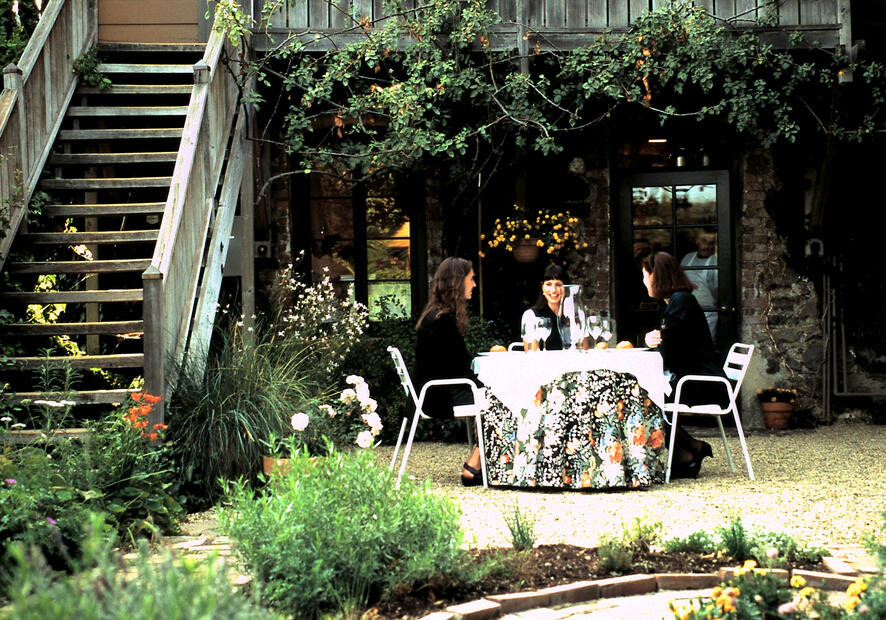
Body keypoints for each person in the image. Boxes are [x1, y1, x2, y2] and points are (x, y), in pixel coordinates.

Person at [641, 251, 725, 479]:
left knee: (643, 399)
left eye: (645, 276)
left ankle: (684, 454)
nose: (643, 282)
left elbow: (669, 350)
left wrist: (655, 343)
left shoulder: (682, 301)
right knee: (645, 396)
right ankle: (690, 450)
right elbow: (666, 342)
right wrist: (652, 339)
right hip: (691, 376)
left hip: (702, 381)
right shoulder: (672, 302)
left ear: (656, 276)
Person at [415, 257, 485, 486]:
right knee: (503, 398)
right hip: (441, 395)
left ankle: (486, 459)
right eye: (471, 279)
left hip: (435, 391)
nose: (474, 284)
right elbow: (458, 370)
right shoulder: (442, 321)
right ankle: (475, 463)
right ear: (457, 282)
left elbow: (453, 365)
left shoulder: (433, 315)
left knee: (494, 393)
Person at [680, 231, 718, 341]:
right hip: (688, 310)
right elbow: (679, 281)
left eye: (711, 243)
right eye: (704, 241)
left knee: (707, 343)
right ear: (697, 241)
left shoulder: (716, 261)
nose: (707, 246)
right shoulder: (688, 258)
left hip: (708, 312)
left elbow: (718, 289)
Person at [520, 263, 567, 351]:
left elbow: (583, 351)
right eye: (548, 284)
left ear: (565, 287)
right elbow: (531, 355)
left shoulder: (574, 315)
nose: (553, 290)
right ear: (542, 287)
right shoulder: (531, 316)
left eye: (558, 285)